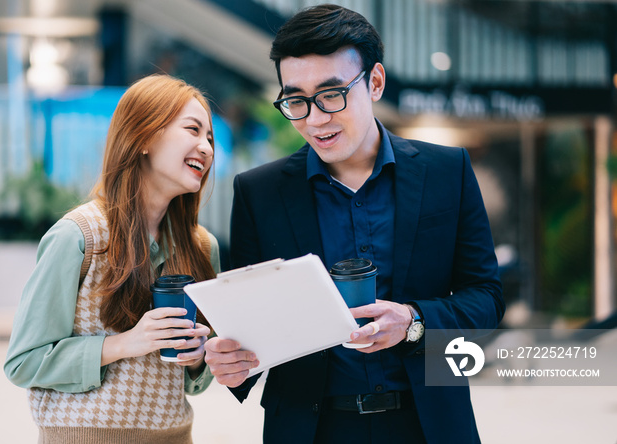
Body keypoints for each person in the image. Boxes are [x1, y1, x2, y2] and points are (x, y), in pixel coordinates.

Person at [204, 4, 504, 444]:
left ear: (375, 82)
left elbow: (487, 297)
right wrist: (232, 364)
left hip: (429, 423)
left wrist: (414, 320)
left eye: (331, 95)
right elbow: (253, 326)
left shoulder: (446, 171)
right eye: (296, 100)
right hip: (311, 428)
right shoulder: (259, 192)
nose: (314, 118)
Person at [4, 74, 220, 443]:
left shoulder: (202, 248)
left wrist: (200, 355)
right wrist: (124, 344)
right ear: (145, 137)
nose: (206, 147)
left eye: (210, 138)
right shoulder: (78, 236)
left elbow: (195, 384)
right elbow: (23, 362)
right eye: (193, 130)